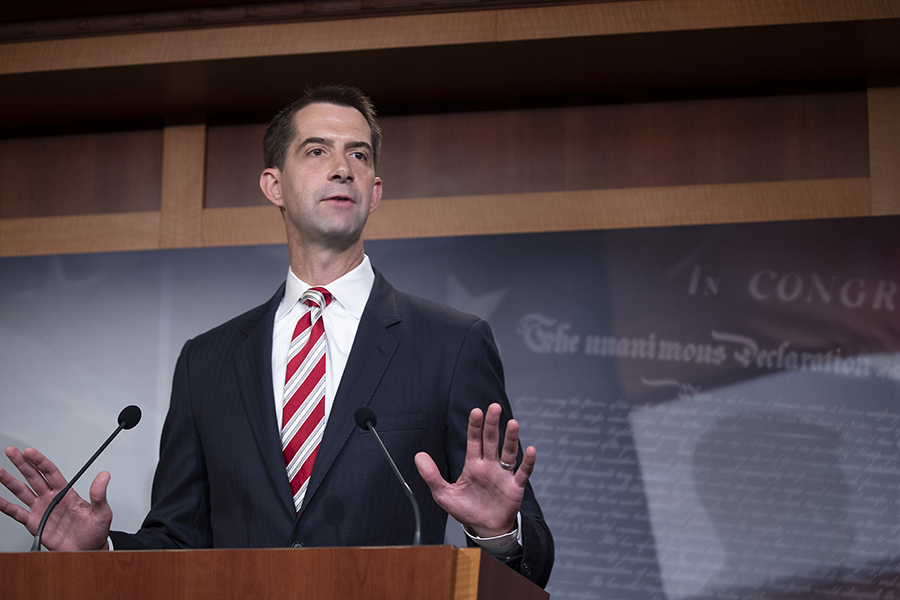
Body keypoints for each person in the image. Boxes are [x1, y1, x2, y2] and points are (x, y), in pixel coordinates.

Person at [0, 85, 553, 587]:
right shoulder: (207, 360)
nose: (342, 169)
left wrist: (498, 533)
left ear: (376, 190)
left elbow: (532, 555)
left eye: (358, 155)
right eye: (317, 151)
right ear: (274, 185)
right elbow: (178, 540)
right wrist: (99, 552)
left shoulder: (450, 344)